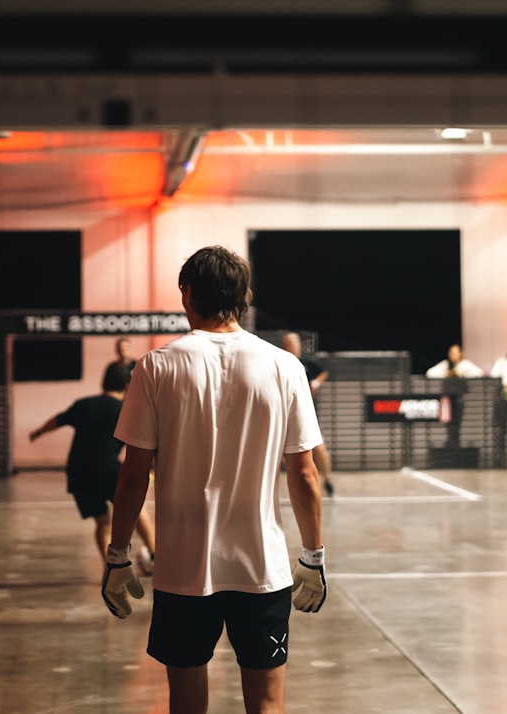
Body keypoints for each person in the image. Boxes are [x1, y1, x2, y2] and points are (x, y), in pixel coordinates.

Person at [103, 245, 326, 714]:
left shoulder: (155, 367)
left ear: (187, 294)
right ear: (243, 297)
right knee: (267, 705)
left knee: (186, 704)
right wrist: (313, 556)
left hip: (183, 568)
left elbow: (131, 477)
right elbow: (303, 475)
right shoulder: (285, 367)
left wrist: (119, 554)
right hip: (261, 569)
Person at [28, 361, 156, 572]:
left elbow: (58, 420)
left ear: (103, 382)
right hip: (108, 469)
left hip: (78, 472)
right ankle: (154, 555)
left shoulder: (84, 404)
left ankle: (112, 567)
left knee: (103, 522)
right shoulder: (127, 410)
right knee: (137, 509)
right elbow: (142, 442)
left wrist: (38, 432)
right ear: (127, 386)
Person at [281, 331, 336, 497]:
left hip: (305, 411)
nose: (292, 348)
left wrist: (317, 382)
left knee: (319, 448)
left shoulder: (305, 363)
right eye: (289, 344)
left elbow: (323, 372)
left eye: (295, 344)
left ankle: (327, 480)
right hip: (282, 412)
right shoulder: (279, 362)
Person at [426, 344, 484, 449]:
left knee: (457, 422)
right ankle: (451, 443)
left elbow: (479, 373)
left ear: (460, 354)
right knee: (449, 422)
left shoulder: (465, 365)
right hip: (448, 399)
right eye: (451, 353)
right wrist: (446, 374)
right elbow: (430, 373)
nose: (453, 355)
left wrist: (463, 374)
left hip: (459, 398)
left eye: (456, 353)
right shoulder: (445, 365)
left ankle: (456, 444)